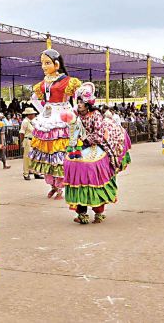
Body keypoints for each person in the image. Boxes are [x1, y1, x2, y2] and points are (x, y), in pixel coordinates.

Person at [64, 83, 131, 224]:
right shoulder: (75, 115)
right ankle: (82, 213)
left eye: (82, 101)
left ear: (88, 103)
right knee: (74, 171)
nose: (80, 104)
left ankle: (98, 212)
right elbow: (72, 131)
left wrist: (86, 139)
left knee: (94, 174)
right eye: (78, 101)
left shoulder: (95, 115)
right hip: (80, 147)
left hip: (94, 145)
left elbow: (99, 134)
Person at [29, 47, 82, 200]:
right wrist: (43, 110)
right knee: (47, 153)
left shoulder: (68, 81)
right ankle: (53, 185)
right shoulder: (42, 84)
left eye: (47, 63)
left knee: (61, 152)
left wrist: (73, 111)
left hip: (62, 118)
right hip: (48, 119)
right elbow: (34, 99)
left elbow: (80, 97)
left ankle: (61, 186)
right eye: (42, 63)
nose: (44, 66)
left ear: (57, 64)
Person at [19, 107, 38, 180]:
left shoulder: (32, 121)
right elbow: (22, 132)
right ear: (29, 115)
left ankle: (36, 172)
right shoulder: (25, 122)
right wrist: (22, 142)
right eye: (33, 114)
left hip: (34, 140)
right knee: (27, 158)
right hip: (28, 140)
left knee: (36, 157)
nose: (34, 115)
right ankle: (26, 173)